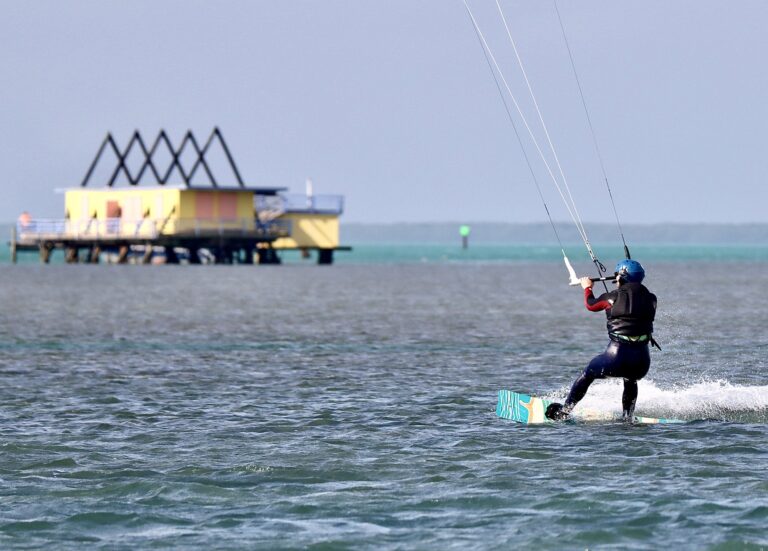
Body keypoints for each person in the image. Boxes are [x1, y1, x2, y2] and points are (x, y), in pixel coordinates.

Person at [546, 259, 658, 421]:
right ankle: (628, 418)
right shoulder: (652, 299)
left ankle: (564, 411)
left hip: (616, 358)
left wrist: (587, 287)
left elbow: (591, 305)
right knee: (631, 380)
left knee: (587, 374)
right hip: (641, 361)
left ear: (620, 278)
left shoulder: (611, 298)